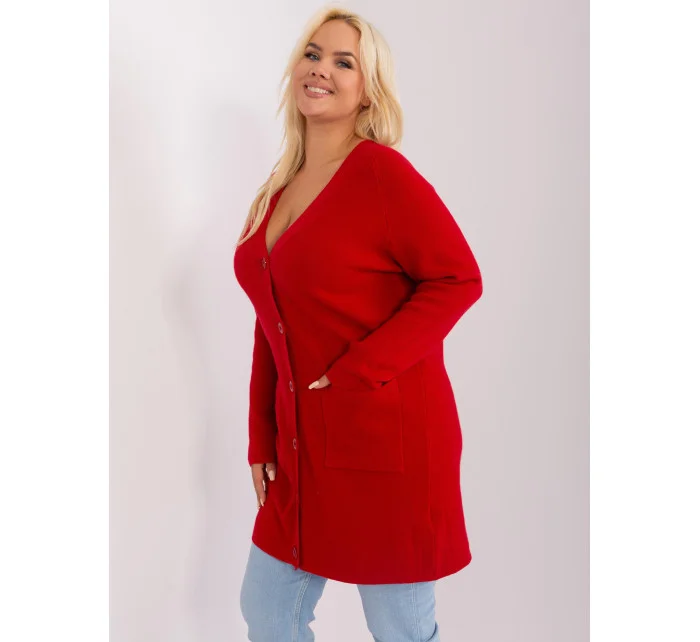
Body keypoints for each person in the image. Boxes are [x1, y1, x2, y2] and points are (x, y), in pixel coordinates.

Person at [233, 6, 483, 641]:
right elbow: (272, 320)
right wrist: (261, 435)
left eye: (344, 62)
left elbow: (458, 278)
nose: (321, 69)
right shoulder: (278, 187)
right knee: (268, 610)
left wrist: (359, 370)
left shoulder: (380, 173)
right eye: (313, 53)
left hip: (384, 442)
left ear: (368, 89)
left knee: (399, 628)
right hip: (301, 448)